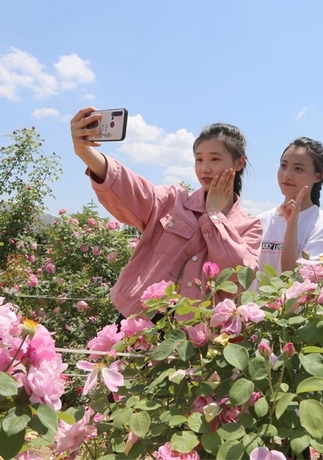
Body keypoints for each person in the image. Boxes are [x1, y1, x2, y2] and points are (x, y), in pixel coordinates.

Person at [70, 107, 262, 319]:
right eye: (199, 159)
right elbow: (130, 187)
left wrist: (215, 215)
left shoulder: (250, 227)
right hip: (140, 320)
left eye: (214, 159)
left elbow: (239, 274)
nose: (205, 168)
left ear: (239, 163)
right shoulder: (172, 201)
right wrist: (85, 152)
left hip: (194, 337)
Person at [257, 137, 323, 276]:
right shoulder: (260, 220)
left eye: (298, 168)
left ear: (318, 176)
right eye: (283, 166)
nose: (287, 175)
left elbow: (295, 278)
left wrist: (291, 225)